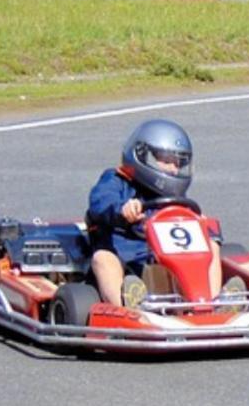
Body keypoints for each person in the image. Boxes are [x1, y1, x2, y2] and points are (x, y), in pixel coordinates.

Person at [88, 119, 227, 308]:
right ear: (143, 155)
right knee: (102, 258)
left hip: (164, 255)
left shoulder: (174, 197)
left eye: (178, 163)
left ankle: (210, 303)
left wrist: (198, 224)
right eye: (167, 161)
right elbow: (100, 203)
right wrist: (123, 210)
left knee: (211, 243)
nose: (173, 169)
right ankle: (126, 309)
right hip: (125, 252)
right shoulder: (116, 180)